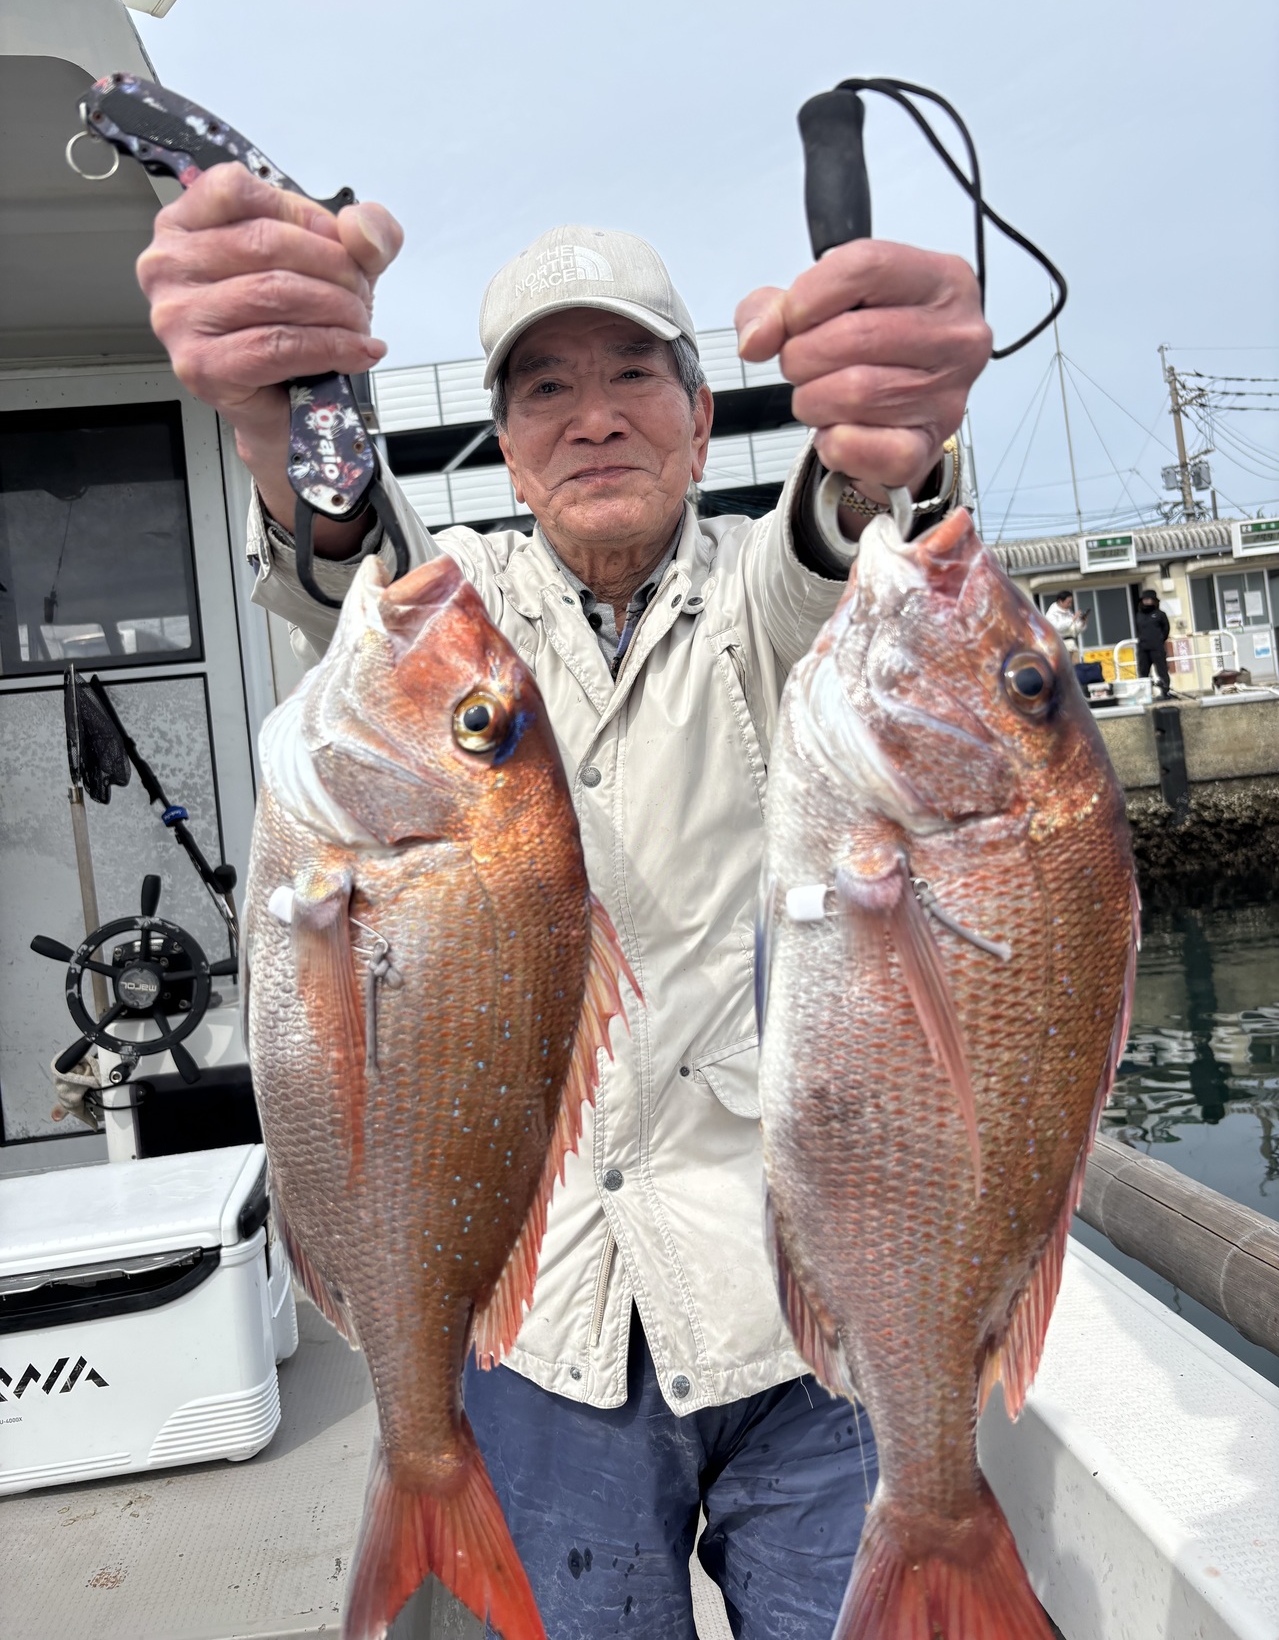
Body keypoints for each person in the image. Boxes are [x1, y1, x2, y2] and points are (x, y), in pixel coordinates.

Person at [137, 169, 990, 1639]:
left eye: (632, 375)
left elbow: (844, 548)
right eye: (545, 389)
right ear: (508, 447)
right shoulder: (453, 608)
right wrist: (298, 418)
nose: (593, 417)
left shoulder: (767, 595)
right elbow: (348, 553)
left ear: (701, 418)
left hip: (795, 1310)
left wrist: (883, 454)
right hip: (537, 1327)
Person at [1136, 587, 1172, 698]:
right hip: (1143, 648)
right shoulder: (1139, 615)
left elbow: (1166, 629)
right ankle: (1145, 695)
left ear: (1154, 600)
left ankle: (1165, 692)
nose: (1146, 601)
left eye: (1149, 599)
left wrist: (1159, 640)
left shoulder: (1160, 614)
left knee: (1161, 671)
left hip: (1157, 648)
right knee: (1143, 672)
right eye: (1144, 599)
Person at [1045, 589, 1088, 658]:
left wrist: (1082, 623)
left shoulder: (1069, 613)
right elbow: (1057, 628)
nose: (1070, 605)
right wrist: (1073, 619)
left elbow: (1075, 631)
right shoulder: (1051, 613)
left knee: (1076, 664)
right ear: (1060, 601)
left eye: (1071, 602)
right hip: (1059, 646)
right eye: (1068, 602)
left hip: (1072, 645)